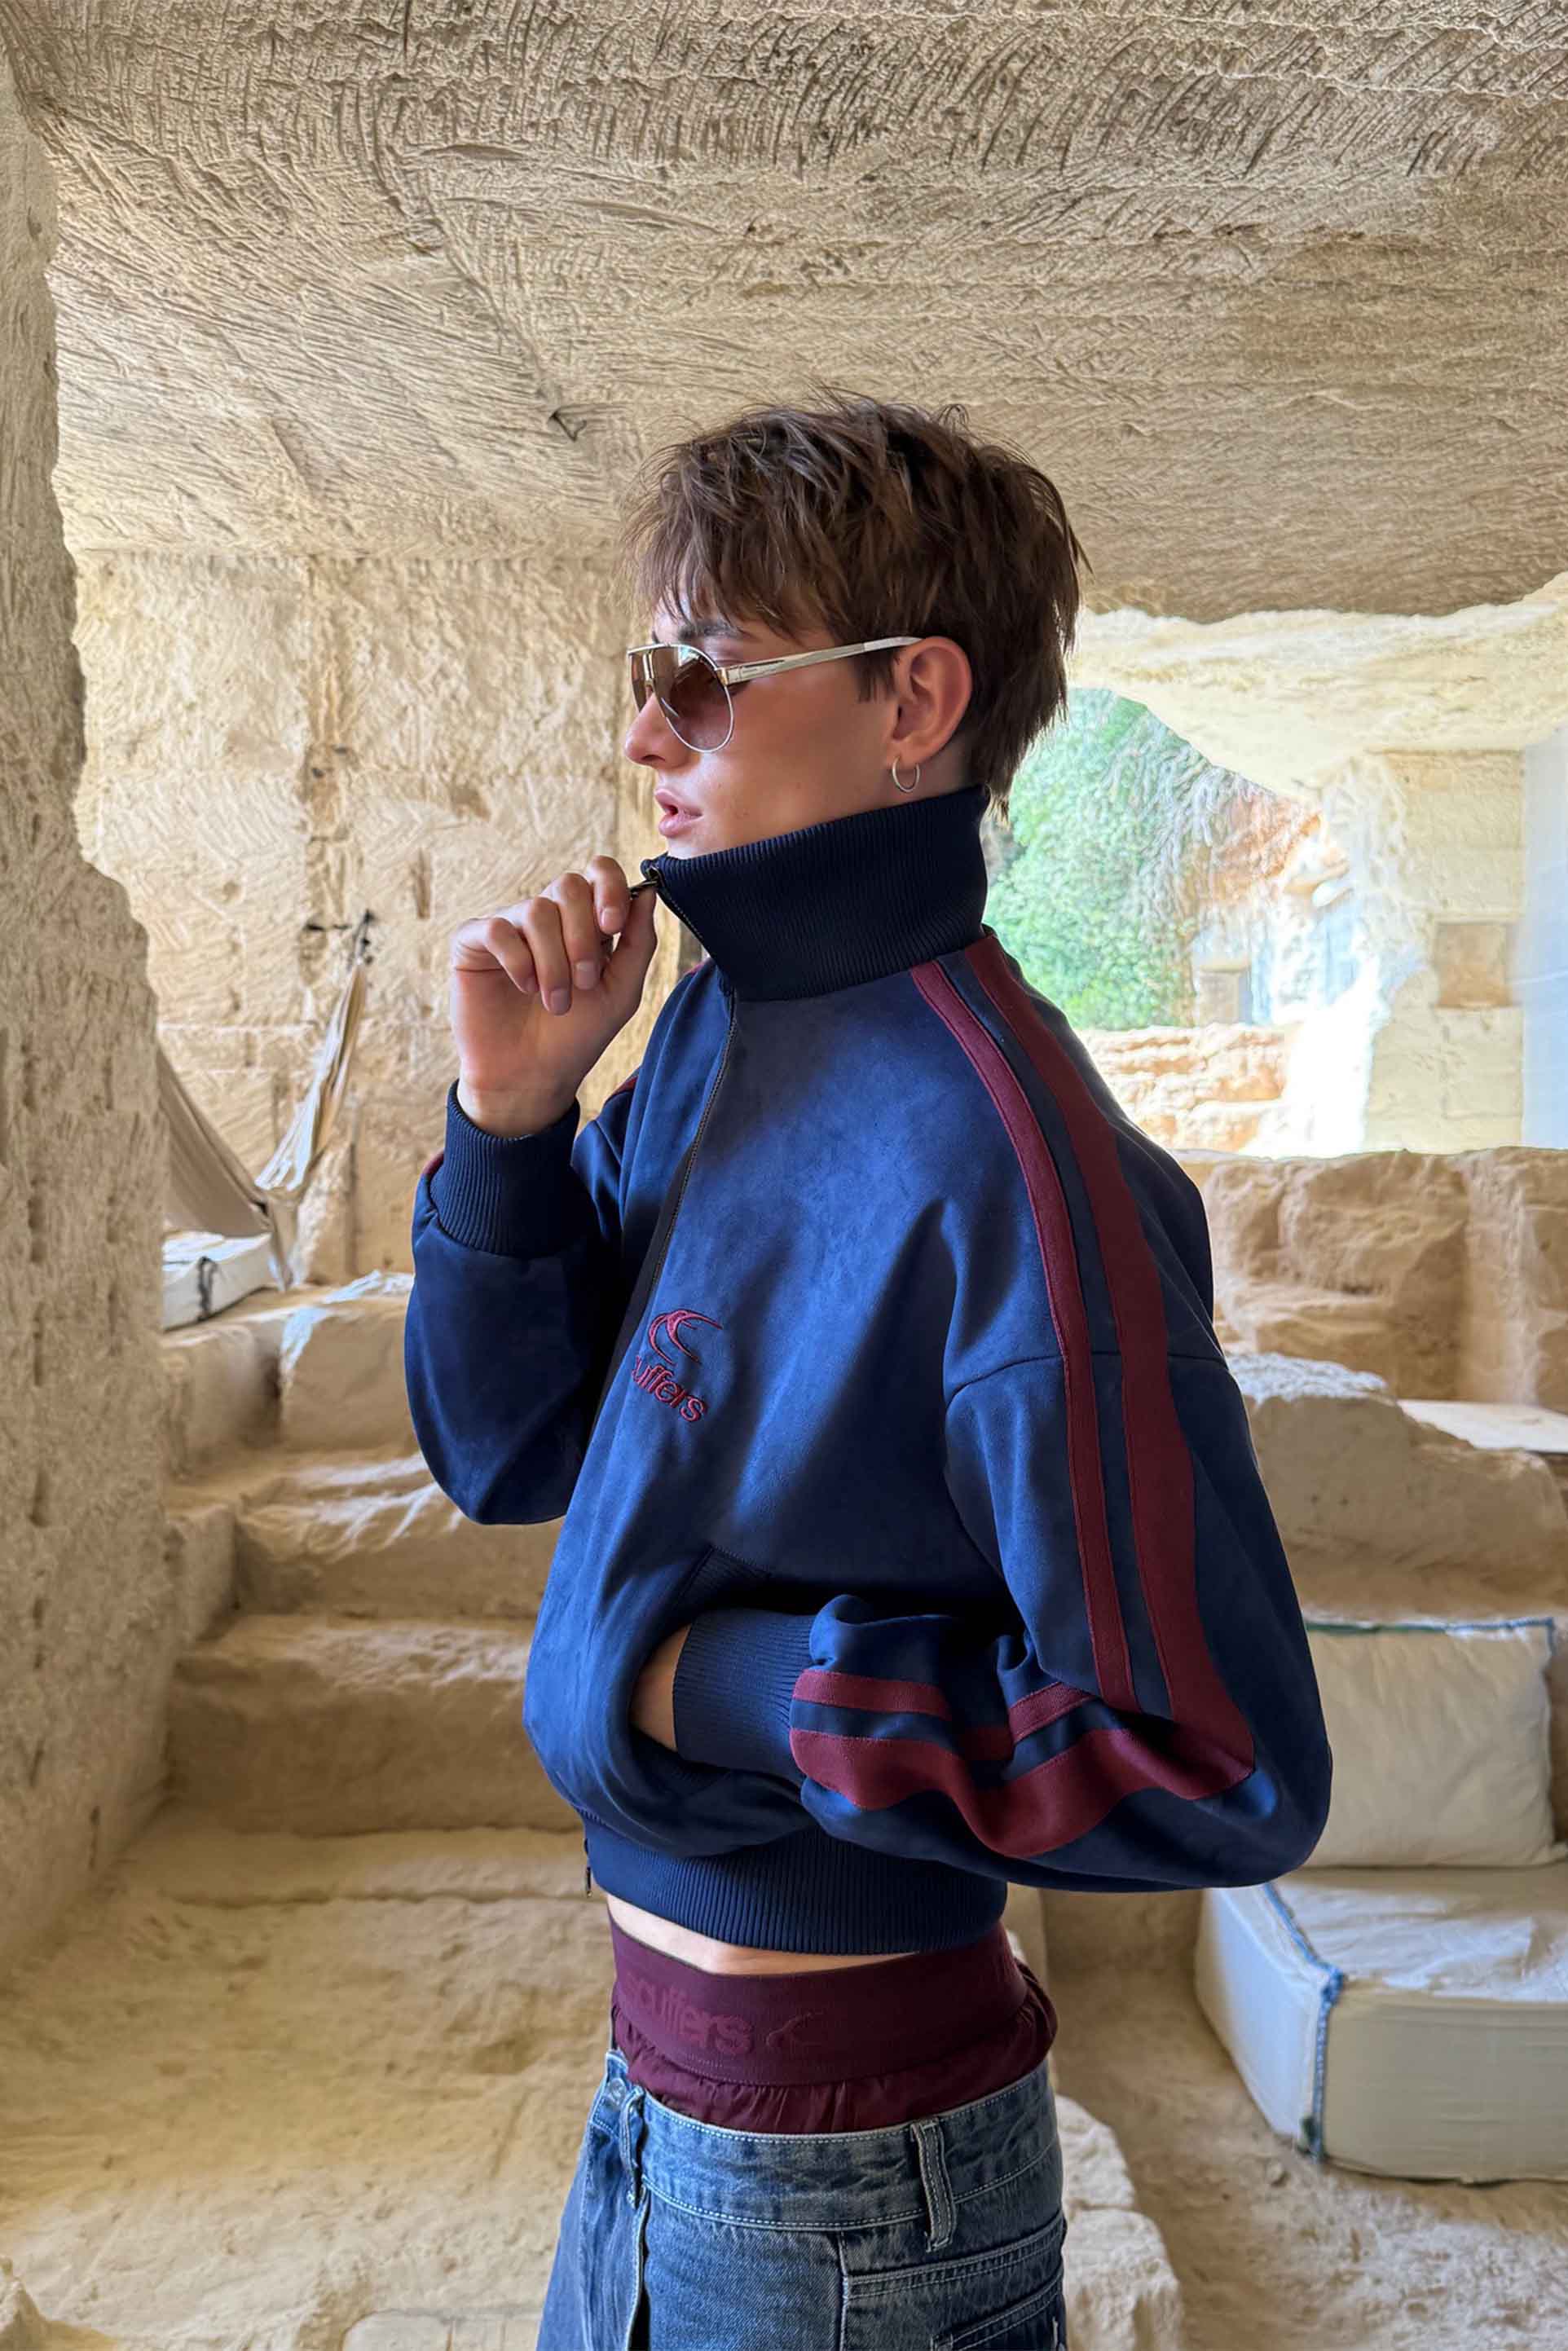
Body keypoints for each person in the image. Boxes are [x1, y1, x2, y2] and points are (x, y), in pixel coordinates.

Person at [403, 390, 1333, 2349]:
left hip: (849, 2183)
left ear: (913, 698)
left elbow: (1211, 1763)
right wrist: (508, 1128)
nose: (644, 737)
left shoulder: (1017, 1166)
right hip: (658, 2099)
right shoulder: (711, 1036)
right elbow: (505, 1453)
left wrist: (712, 1681)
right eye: (645, 677)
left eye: (704, 677)